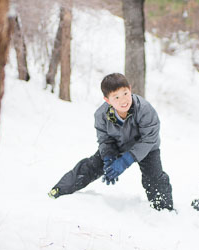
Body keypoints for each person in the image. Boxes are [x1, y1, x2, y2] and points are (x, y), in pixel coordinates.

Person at [48, 73, 174, 211]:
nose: (123, 100)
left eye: (125, 93)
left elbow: (149, 138)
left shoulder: (144, 109)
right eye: (116, 97)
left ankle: (164, 210)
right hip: (118, 144)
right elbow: (104, 140)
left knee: (154, 177)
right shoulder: (101, 115)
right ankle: (59, 189)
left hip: (146, 147)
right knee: (91, 166)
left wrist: (125, 160)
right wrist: (108, 157)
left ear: (130, 89)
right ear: (107, 100)